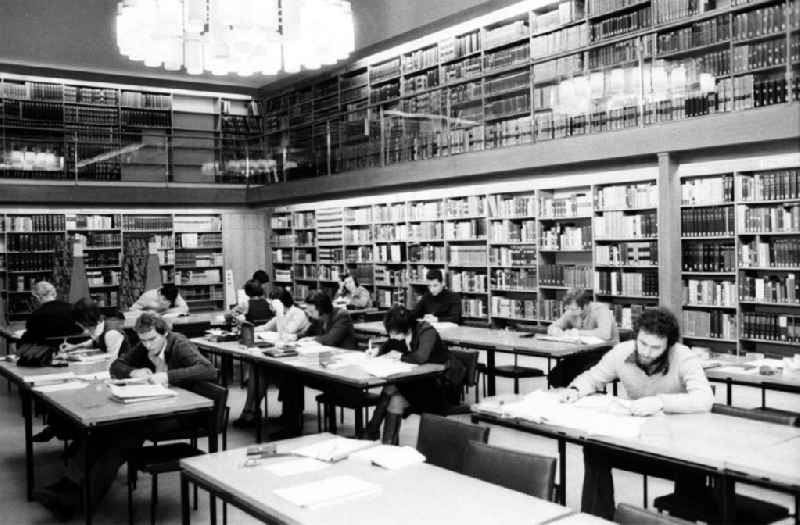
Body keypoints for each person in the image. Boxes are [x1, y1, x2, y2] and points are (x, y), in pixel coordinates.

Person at [32, 313, 217, 521]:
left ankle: (79, 500)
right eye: (143, 341)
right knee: (102, 430)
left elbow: (208, 369)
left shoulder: (179, 343)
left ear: (164, 333)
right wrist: (132, 373)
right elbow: (116, 366)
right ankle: (69, 484)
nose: (147, 346)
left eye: (152, 340)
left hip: (186, 413)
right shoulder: (146, 342)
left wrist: (165, 376)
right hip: (156, 406)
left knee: (123, 436)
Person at [558, 307, 714, 520]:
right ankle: (597, 519)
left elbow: (704, 399)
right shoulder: (622, 352)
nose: (647, 352)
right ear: (636, 337)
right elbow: (593, 377)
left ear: (669, 345)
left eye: (656, 347)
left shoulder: (683, 356)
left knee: (694, 467)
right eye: (642, 344)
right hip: (638, 440)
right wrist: (575, 390)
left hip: (677, 446)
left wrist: (660, 402)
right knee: (595, 450)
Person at [361, 306, 465, 444]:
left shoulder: (427, 331)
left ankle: (372, 432)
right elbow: (388, 345)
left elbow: (420, 357)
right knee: (394, 397)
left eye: (394, 332)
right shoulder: (402, 332)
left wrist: (400, 357)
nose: (391, 336)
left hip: (441, 385)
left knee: (391, 387)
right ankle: (383, 442)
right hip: (419, 381)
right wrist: (377, 351)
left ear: (406, 328)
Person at [233, 287, 310, 428]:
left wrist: (280, 313)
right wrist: (245, 327)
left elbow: (284, 333)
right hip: (283, 356)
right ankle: (250, 410)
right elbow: (264, 328)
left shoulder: (297, 314)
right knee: (257, 369)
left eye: (272, 303)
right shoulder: (282, 314)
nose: (270, 306)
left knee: (260, 371)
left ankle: (251, 411)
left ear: (280, 303)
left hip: (296, 361)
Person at [546, 289, 619, 387]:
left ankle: (582, 395)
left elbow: (605, 334)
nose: (570, 312)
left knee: (582, 376)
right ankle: (567, 397)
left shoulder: (601, 310)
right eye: (568, 308)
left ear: (585, 306)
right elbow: (553, 327)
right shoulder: (571, 311)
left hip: (605, 351)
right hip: (584, 351)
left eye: (573, 309)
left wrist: (577, 333)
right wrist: (555, 331)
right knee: (555, 376)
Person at [60, 299, 130, 360]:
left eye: (78, 322)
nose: (77, 324)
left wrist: (83, 359)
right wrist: (75, 346)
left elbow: (112, 362)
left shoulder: (111, 333)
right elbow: (95, 341)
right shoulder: (99, 326)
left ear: (84, 320)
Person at [19, 281, 82, 347]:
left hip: (46, 351)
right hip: (72, 349)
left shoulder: (36, 315)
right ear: (54, 294)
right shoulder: (73, 309)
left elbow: (30, 336)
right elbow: (80, 330)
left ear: (37, 297)